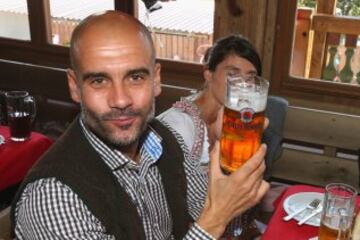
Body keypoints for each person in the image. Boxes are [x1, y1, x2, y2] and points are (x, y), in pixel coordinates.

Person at [11, 11, 269, 240]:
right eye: (99, 80)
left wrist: (230, 165)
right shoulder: (54, 199)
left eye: (135, 77)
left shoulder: (165, 141)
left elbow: (222, 212)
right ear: (74, 87)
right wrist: (215, 219)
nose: (121, 100)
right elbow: (214, 217)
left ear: (156, 80)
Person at [158, 34, 262, 168]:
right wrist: (214, 140)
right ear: (208, 74)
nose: (242, 86)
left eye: (249, 78)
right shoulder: (178, 127)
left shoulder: (238, 121)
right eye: (232, 75)